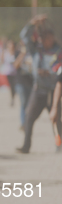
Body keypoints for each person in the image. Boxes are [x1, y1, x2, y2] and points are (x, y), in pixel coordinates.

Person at [16, 15, 62, 153]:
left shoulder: (58, 52)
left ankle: (59, 145)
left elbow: (59, 72)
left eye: (49, 38)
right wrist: (33, 23)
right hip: (39, 90)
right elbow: (24, 36)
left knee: (56, 119)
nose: (47, 41)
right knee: (29, 118)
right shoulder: (36, 50)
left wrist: (49, 73)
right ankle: (26, 146)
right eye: (44, 38)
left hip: (53, 91)